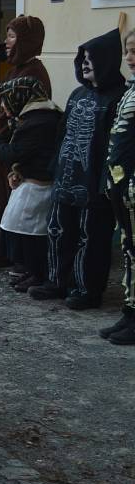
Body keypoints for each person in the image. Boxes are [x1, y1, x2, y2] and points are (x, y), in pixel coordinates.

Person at [28, 28, 126, 310]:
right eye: (82, 57)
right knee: (59, 231)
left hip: (94, 182)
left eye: (91, 58)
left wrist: (106, 183)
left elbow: (115, 145)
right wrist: (53, 170)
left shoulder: (118, 98)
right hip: (66, 179)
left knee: (90, 238)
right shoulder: (77, 94)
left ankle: (87, 290)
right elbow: (62, 135)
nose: (85, 63)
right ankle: (57, 281)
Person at [0, 15, 52, 273]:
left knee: (15, 204)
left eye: (12, 36)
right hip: (1, 145)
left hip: (15, 149)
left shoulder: (34, 73)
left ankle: (12, 254)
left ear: (26, 40)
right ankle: (2, 249)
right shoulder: (14, 70)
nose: (6, 42)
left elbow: (22, 115)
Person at [0, 77, 61, 293]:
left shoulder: (39, 121)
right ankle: (32, 270)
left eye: (6, 103)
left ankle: (38, 273)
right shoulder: (33, 118)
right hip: (31, 180)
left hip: (39, 185)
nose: (6, 110)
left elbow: (16, 152)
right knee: (18, 226)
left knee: (29, 230)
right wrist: (17, 170)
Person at [101, 30, 135, 345]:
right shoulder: (129, 90)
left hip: (133, 183)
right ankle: (129, 311)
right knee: (128, 249)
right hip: (121, 183)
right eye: (128, 51)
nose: (130, 58)